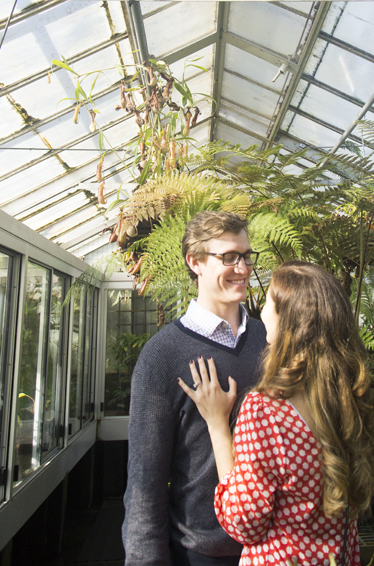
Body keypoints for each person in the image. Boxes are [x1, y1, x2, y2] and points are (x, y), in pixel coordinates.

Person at [179, 261, 374, 566]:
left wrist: (217, 425)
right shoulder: (353, 397)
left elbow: (244, 522)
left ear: (289, 322)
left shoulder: (266, 411)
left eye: (269, 304)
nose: (262, 312)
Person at [122, 211, 268, 566]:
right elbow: (145, 482)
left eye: (246, 256)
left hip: (276, 546)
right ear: (195, 262)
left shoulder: (270, 341)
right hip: (201, 553)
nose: (243, 268)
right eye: (229, 257)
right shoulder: (162, 356)